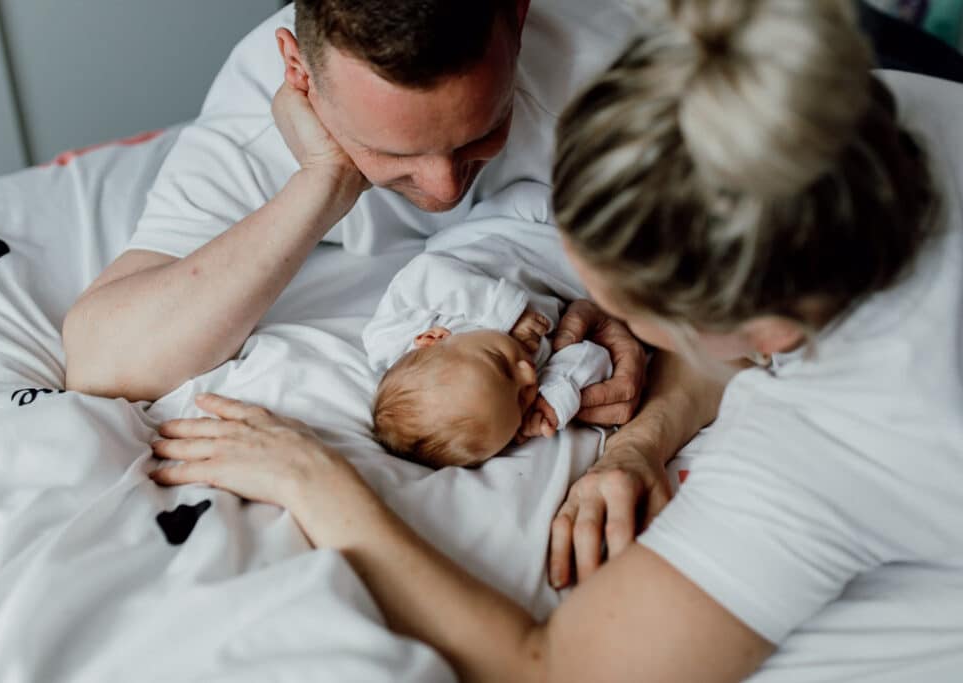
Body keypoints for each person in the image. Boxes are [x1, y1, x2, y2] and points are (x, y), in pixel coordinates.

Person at [150, 0, 963, 680]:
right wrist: (641, 444)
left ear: (759, 330)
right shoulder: (882, 109)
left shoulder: (832, 447)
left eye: (632, 311)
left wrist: (316, 478)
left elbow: (553, 668)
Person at [364, 200, 615, 467]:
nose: (528, 373)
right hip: (578, 267)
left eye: (501, 363)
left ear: (433, 339)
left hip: (513, 223)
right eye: (520, 401)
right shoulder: (517, 396)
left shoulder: (389, 338)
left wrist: (503, 309)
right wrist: (559, 390)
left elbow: (421, 274)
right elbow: (595, 354)